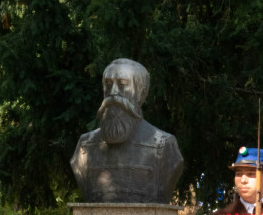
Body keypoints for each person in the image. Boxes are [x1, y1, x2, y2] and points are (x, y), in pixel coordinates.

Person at [70, 58, 184, 203]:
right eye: (108, 84)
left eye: (123, 84)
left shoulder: (163, 144)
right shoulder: (85, 146)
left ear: (141, 94)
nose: (113, 92)